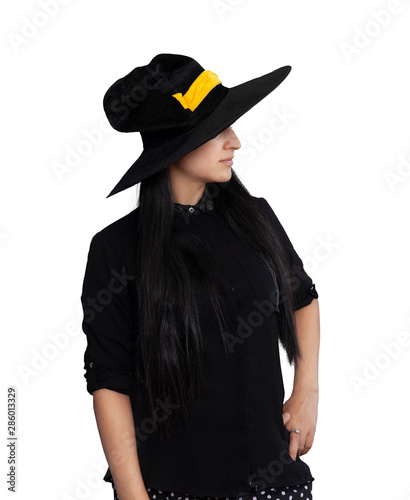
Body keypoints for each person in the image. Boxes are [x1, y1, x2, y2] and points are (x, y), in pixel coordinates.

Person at [80, 54, 320, 500]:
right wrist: (133, 494)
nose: (236, 142)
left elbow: (303, 298)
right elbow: (109, 382)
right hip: (170, 486)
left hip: (272, 480)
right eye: (219, 129)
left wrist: (307, 389)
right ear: (177, 144)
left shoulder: (256, 219)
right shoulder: (116, 249)